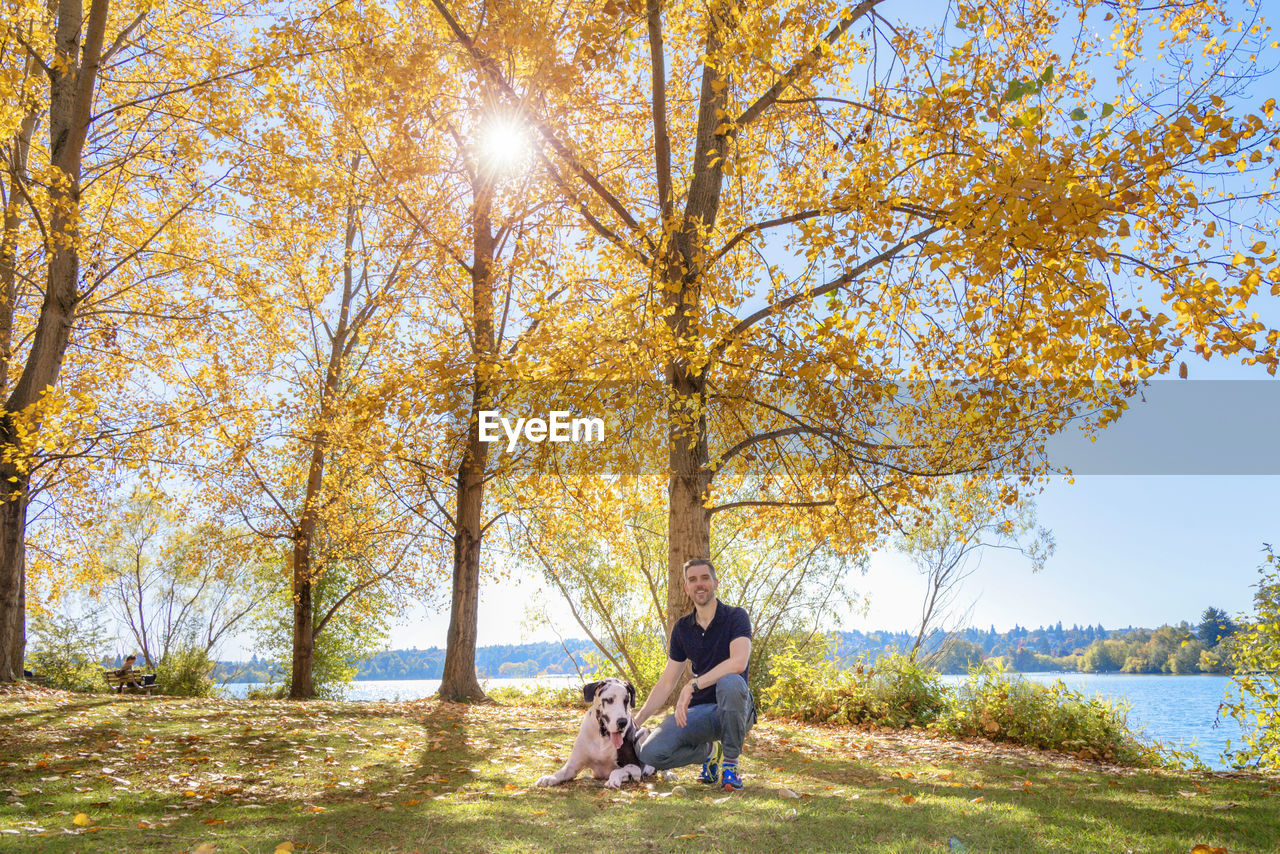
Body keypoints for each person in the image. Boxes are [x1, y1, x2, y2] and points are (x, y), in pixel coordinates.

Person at [635, 558, 756, 791]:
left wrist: (693, 685)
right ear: (686, 587)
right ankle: (710, 753)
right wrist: (636, 721)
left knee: (730, 682)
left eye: (704, 578)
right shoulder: (682, 628)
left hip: (736, 710)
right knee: (650, 752)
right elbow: (667, 682)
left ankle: (730, 766)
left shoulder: (736, 617)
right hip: (700, 715)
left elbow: (738, 662)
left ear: (715, 583)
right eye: (692, 579)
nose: (699, 584)